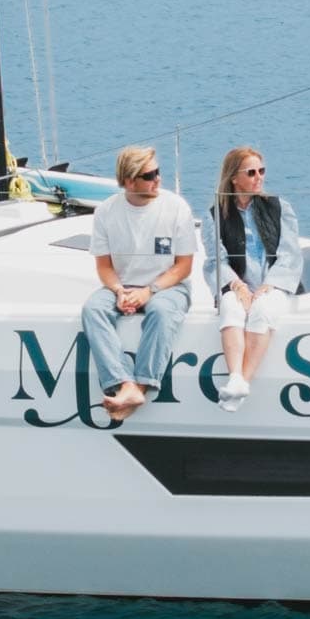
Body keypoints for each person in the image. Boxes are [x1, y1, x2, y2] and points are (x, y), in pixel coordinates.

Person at [82, 144, 196, 421]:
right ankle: (125, 385)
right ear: (129, 181)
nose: (158, 179)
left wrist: (149, 291)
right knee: (93, 310)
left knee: (161, 311)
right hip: (123, 285)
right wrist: (120, 291)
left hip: (169, 285)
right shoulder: (107, 212)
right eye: (150, 175)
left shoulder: (176, 207)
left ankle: (140, 386)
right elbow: (104, 267)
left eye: (158, 172)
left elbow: (184, 266)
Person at [212, 146, 302, 412]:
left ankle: (241, 381)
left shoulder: (278, 207)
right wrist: (236, 285)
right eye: (251, 172)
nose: (259, 177)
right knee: (229, 307)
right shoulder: (215, 214)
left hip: (274, 284)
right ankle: (236, 378)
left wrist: (269, 284)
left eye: (261, 171)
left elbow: (291, 253)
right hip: (238, 284)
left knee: (262, 309)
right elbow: (214, 260)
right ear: (234, 178)